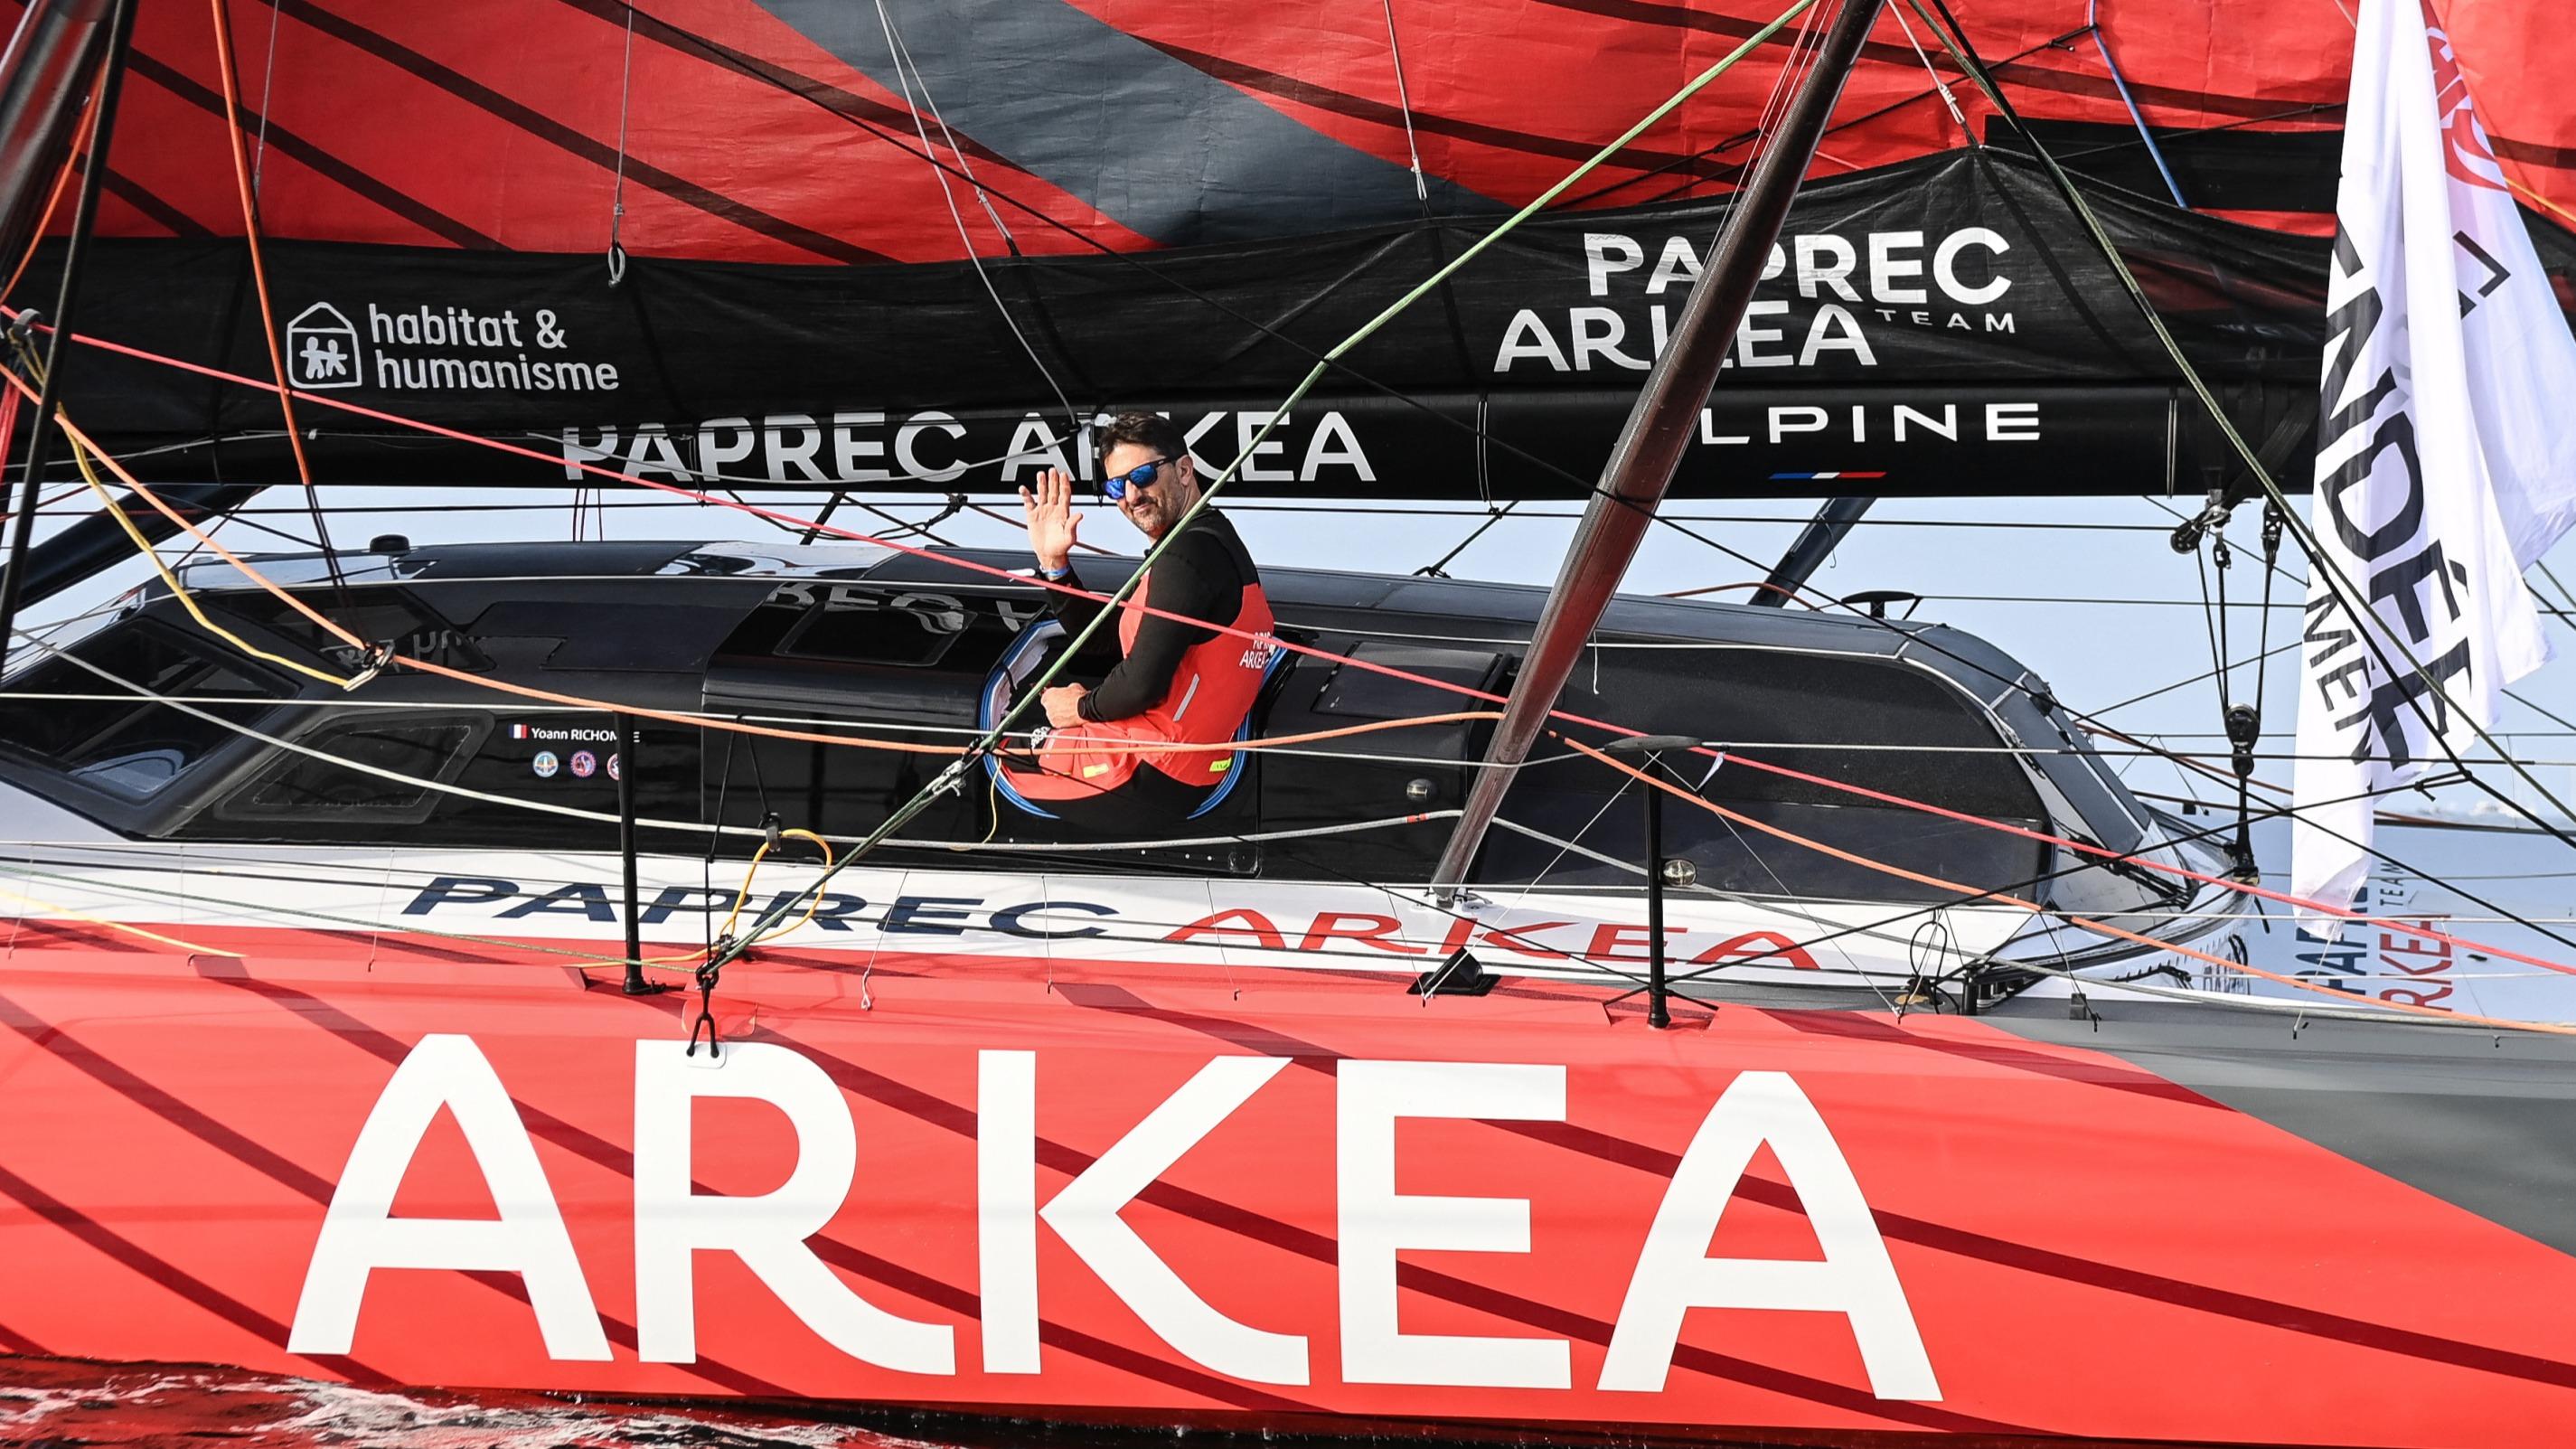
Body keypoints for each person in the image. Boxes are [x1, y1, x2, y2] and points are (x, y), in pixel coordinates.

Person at [1008, 410, 1274, 826]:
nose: (1131, 495)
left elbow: (1141, 685)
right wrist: (1054, 565)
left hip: (1146, 774)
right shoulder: (1209, 542)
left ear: (1184, 470)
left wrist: (1076, 707)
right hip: (1182, 775)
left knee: (988, 756)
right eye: (1117, 485)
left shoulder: (1188, 557)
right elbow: (1109, 640)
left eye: (1145, 475)